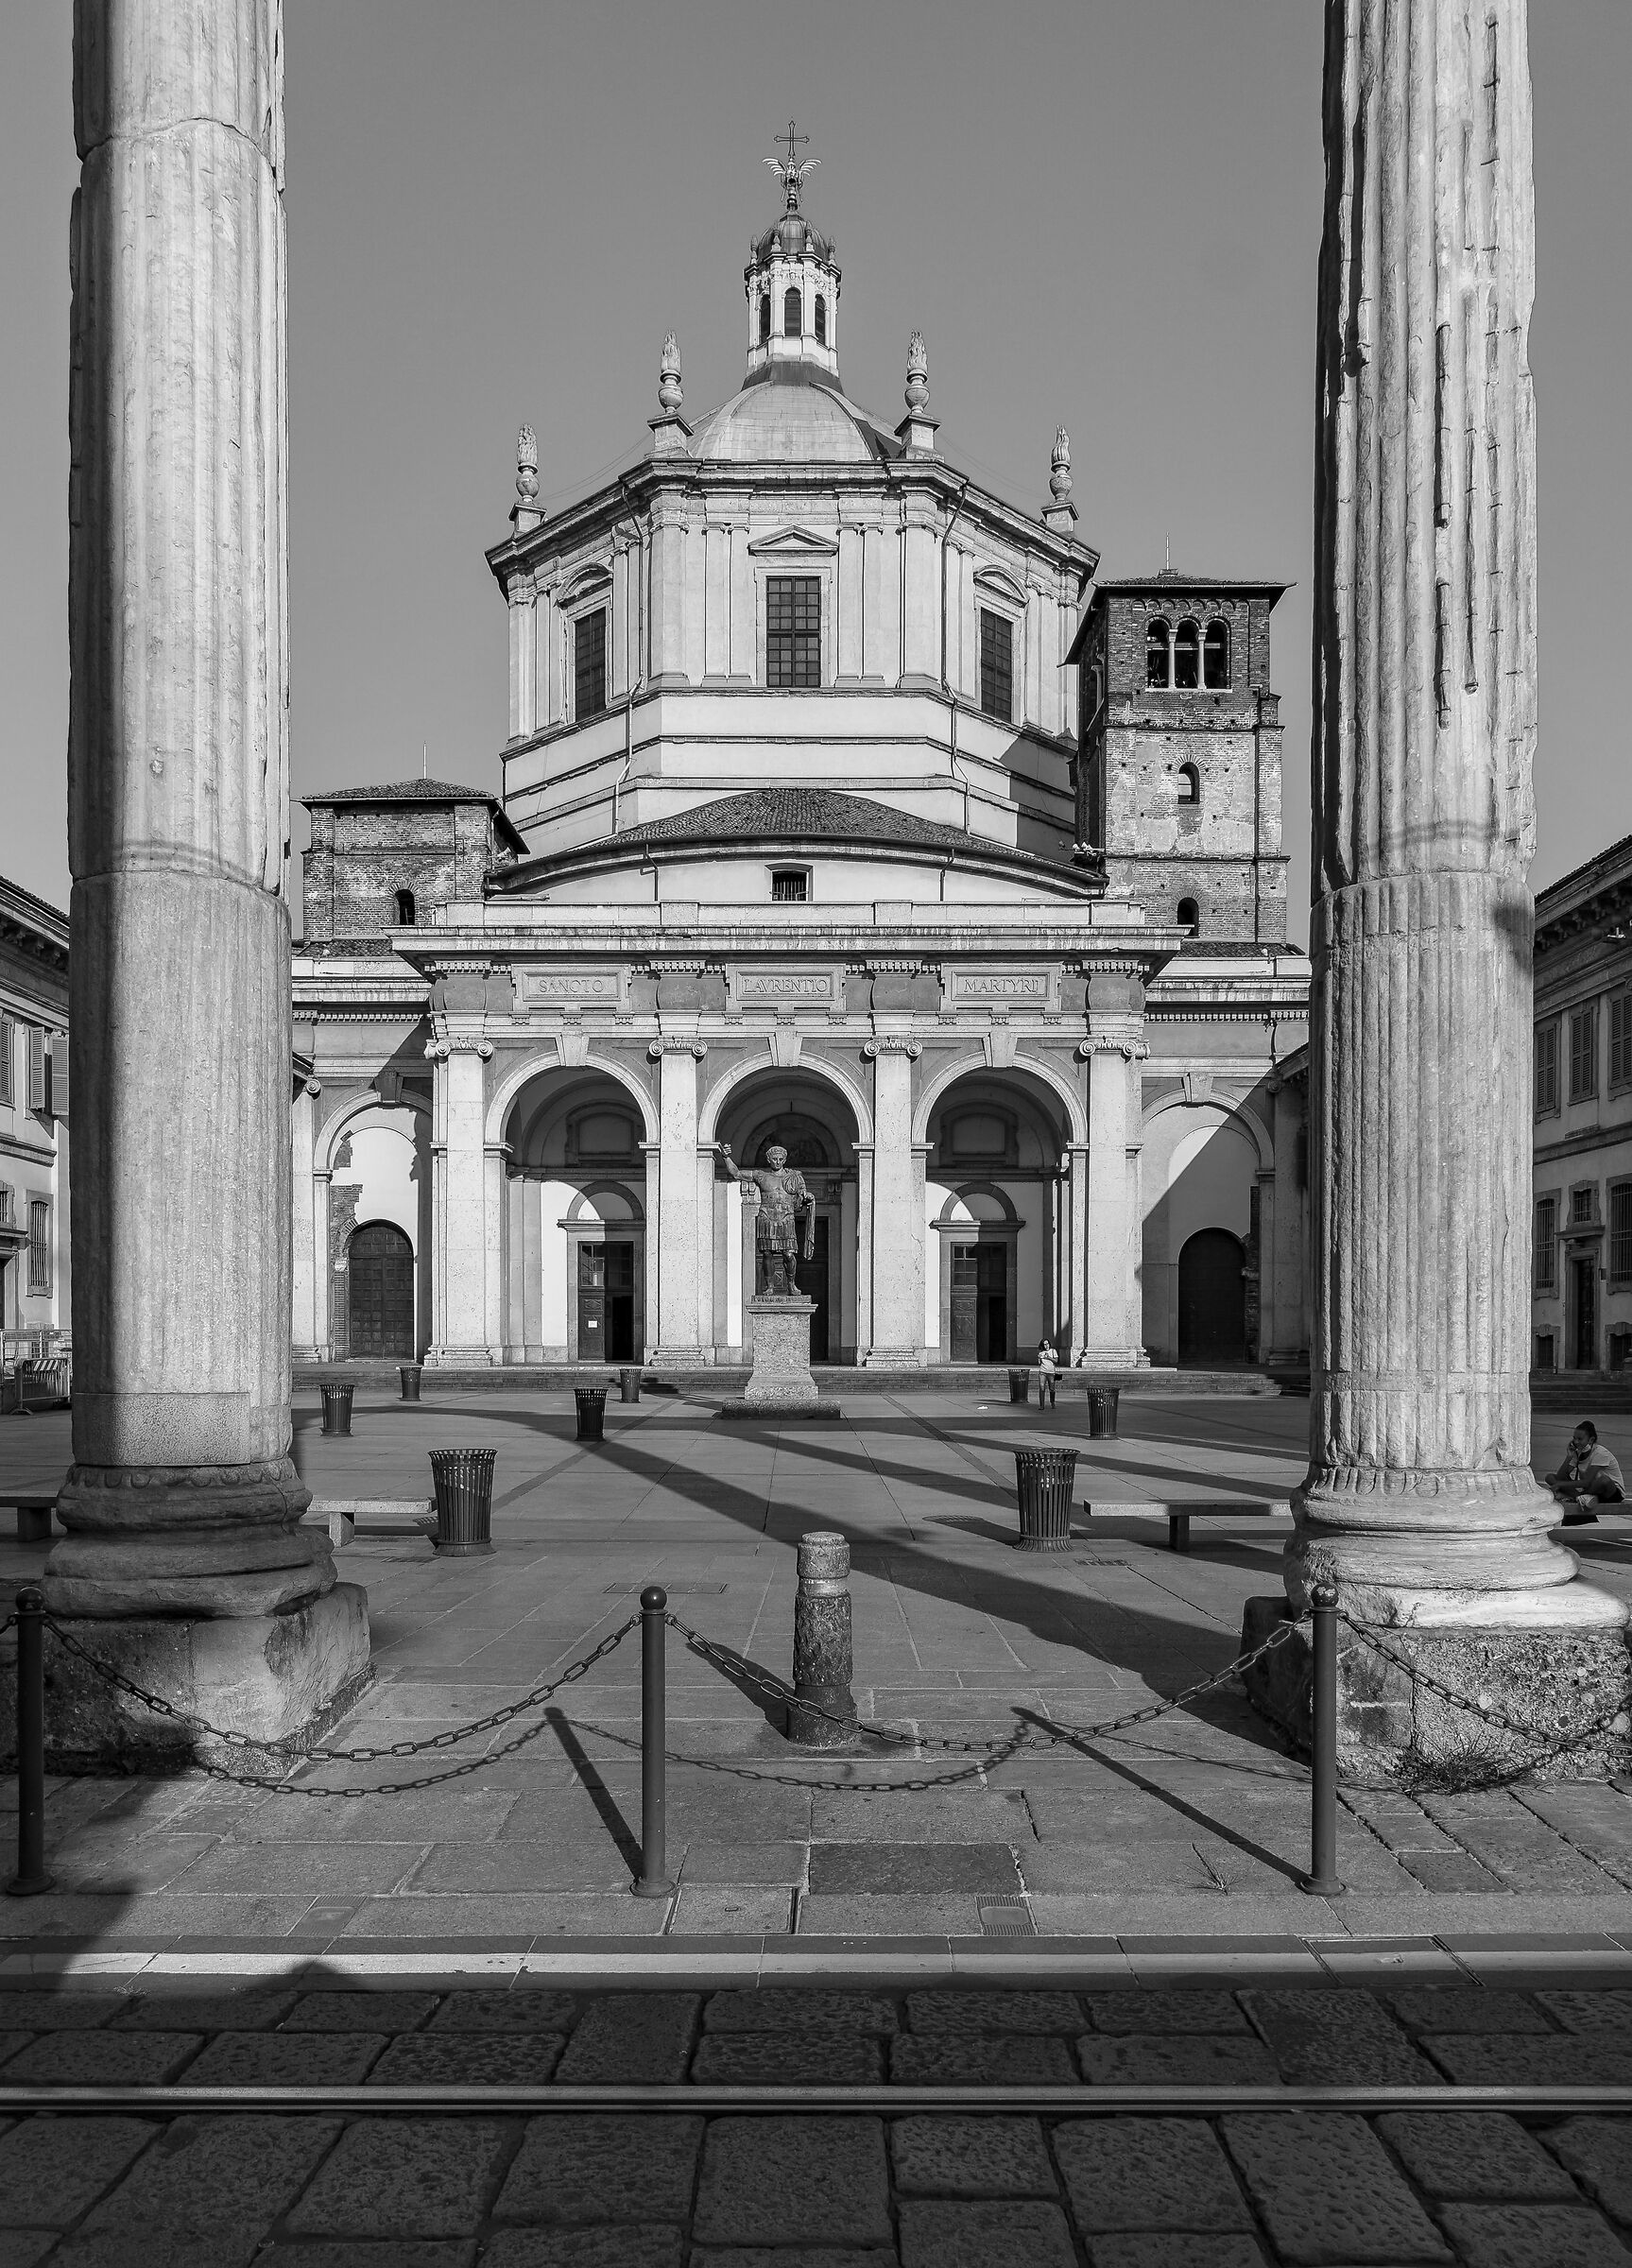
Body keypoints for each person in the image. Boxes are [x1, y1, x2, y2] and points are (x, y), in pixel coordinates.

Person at [1543, 1420, 1624, 1526]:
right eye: (1574, 1438)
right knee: (1550, 1477)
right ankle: (1580, 1497)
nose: (1576, 1442)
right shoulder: (1578, 1452)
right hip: (1589, 1491)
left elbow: (1586, 1482)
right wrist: (1569, 1457)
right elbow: (1560, 1476)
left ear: (1591, 1440)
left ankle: (1576, 1497)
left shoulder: (1600, 1453)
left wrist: (1560, 1485)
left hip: (1610, 1492)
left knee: (1604, 1480)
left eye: (1580, 1439)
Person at [1036, 1337, 1058, 1409]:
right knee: (1042, 1388)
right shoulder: (1041, 1353)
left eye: (1047, 1344)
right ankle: (1042, 1405)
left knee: (1052, 1389)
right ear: (1042, 1345)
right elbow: (1039, 1363)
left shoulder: (1053, 1351)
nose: (1046, 1345)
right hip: (1042, 1372)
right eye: (1044, 1344)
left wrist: (1048, 1357)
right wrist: (1039, 1359)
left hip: (1051, 1372)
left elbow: (1056, 1361)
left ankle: (1052, 1402)